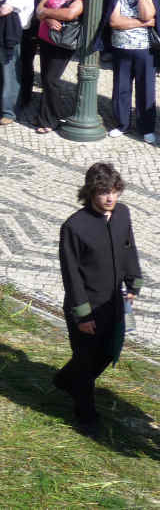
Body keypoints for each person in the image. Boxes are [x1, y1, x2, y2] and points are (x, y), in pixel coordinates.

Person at [56, 163, 143, 434]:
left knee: (107, 353)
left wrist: (134, 282)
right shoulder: (74, 227)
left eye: (114, 191)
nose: (110, 198)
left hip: (113, 303)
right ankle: (86, 417)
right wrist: (83, 315)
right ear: (91, 192)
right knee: (85, 362)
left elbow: (129, 248)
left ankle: (66, 380)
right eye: (104, 192)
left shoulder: (122, 214)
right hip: (87, 307)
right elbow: (71, 275)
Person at [103, 0, 158, 143]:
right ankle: (122, 124)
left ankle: (146, 128)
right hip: (121, 47)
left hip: (145, 49)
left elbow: (148, 14)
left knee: (146, 89)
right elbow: (114, 22)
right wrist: (142, 23)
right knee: (121, 88)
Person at [34, 0, 85, 134]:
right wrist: (47, 17)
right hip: (45, 37)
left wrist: (46, 13)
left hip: (62, 42)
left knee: (51, 79)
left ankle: (52, 118)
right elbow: (39, 8)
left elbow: (70, 13)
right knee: (45, 79)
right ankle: (44, 115)